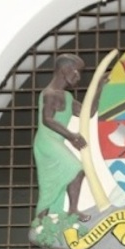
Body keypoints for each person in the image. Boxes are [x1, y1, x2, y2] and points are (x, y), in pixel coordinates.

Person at [33, 54, 91, 223]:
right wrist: (71, 136)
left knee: (55, 182)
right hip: (46, 141)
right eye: (76, 71)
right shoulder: (49, 94)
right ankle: (70, 211)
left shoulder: (68, 97)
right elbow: (47, 120)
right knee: (75, 168)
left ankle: (48, 220)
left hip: (56, 142)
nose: (78, 77)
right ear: (65, 69)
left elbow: (88, 113)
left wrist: (100, 87)